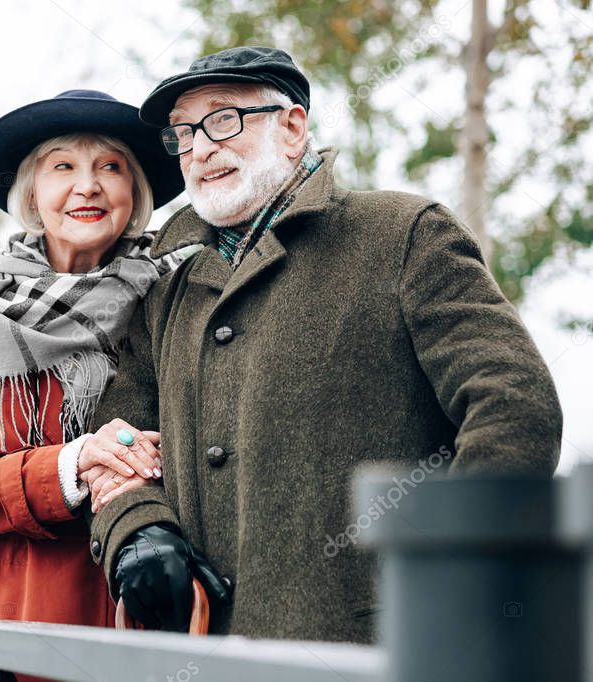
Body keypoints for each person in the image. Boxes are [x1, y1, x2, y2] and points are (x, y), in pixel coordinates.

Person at [86, 47, 563, 643]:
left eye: (224, 119)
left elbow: (515, 407)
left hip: (386, 650)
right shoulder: (161, 284)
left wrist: (452, 571)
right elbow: (116, 443)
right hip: (204, 655)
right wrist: (137, 529)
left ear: (292, 128)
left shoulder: (404, 235)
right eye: (184, 133)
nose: (201, 147)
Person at [0, 90, 186, 636]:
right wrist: (70, 465)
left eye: (111, 166)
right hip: (27, 628)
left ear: (135, 191)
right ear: (33, 194)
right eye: (64, 166)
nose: (89, 185)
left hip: (167, 619)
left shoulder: (177, 293)